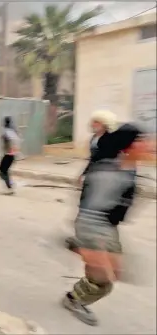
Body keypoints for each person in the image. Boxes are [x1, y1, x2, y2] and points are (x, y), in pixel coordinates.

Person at [61, 123, 145, 326]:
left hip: (108, 227)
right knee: (104, 281)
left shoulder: (129, 167)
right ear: (129, 146)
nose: (149, 146)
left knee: (116, 274)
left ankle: (79, 251)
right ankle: (74, 300)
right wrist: (89, 241)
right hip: (94, 226)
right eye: (142, 142)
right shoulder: (110, 170)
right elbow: (90, 207)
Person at [67, 110, 118, 250]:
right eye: (93, 121)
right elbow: (93, 159)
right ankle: (81, 238)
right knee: (84, 206)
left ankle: (105, 243)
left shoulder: (110, 139)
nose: (93, 124)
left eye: (96, 122)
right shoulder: (94, 138)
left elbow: (111, 160)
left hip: (105, 178)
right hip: (92, 177)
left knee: (100, 210)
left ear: (104, 124)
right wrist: (83, 174)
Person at [0, 117, 20, 195]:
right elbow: (17, 141)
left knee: (1, 171)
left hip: (8, 155)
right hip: (12, 155)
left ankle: (10, 186)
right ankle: (10, 184)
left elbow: (9, 141)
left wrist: (10, 150)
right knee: (4, 171)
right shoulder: (13, 131)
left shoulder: (6, 132)